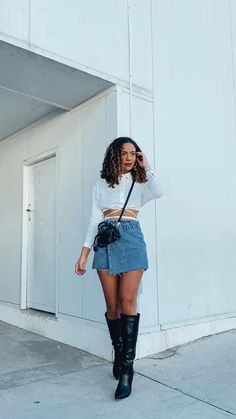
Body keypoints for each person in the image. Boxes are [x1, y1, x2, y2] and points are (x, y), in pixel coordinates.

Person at [75, 136, 164, 400]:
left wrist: (147, 166)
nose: (129, 157)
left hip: (132, 239)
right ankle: (118, 350)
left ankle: (127, 368)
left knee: (128, 303)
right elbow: (93, 220)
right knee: (112, 308)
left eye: (133, 153)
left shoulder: (140, 182)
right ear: (114, 155)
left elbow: (159, 191)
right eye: (124, 153)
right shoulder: (100, 184)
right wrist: (83, 254)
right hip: (105, 241)